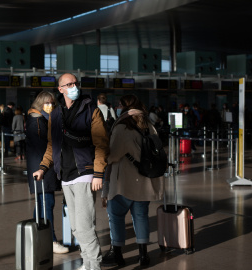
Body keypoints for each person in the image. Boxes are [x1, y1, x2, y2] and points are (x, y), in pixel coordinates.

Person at [33, 73, 109, 270]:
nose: (73, 86)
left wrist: (99, 173)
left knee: (84, 226)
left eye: (75, 83)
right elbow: (52, 145)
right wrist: (43, 167)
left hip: (85, 172)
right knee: (76, 227)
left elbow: (101, 143)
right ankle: (87, 261)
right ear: (60, 89)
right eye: (69, 84)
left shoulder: (91, 109)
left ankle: (94, 265)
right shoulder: (56, 114)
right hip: (65, 175)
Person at [100, 94, 163, 267]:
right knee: (141, 216)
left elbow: (113, 155)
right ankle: (144, 255)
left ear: (124, 106)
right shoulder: (149, 125)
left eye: (119, 104)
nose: (117, 107)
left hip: (124, 183)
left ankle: (118, 253)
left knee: (116, 216)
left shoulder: (122, 127)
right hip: (145, 180)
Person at [25, 90, 69, 254]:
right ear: (39, 103)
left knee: (42, 204)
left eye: (52, 103)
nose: (50, 106)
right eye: (47, 103)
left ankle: (41, 238)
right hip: (42, 169)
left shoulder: (40, 119)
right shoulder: (37, 121)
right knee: (47, 203)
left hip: (42, 168)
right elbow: (46, 146)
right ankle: (50, 240)